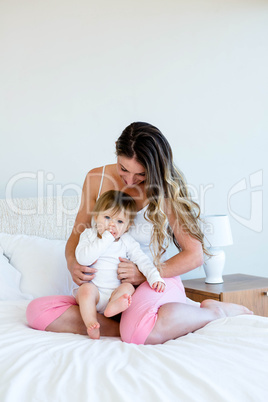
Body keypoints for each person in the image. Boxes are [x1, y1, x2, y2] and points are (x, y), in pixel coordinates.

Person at [26, 122, 252, 344]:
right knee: (37, 311)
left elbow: (194, 255)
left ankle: (214, 313)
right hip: (105, 289)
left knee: (137, 335)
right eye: (124, 169)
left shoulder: (165, 189)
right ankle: (119, 324)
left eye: (141, 174)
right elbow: (78, 233)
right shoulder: (97, 179)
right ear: (116, 149)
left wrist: (144, 274)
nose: (130, 180)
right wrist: (71, 262)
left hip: (153, 280)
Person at [73, 189, 165, 339]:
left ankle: (112, 308)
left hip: (116, 295)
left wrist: (155, 278)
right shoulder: (89, 235)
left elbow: (143, 261)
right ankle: (91, 322)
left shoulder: (127, 242)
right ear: (96, 217)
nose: (112, 225)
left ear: (127, 227)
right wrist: (106, 239)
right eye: (107, 217)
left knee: (128, 288)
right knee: (85, 290)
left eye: (120, 221)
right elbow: (83, 259)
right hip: (95, 293)